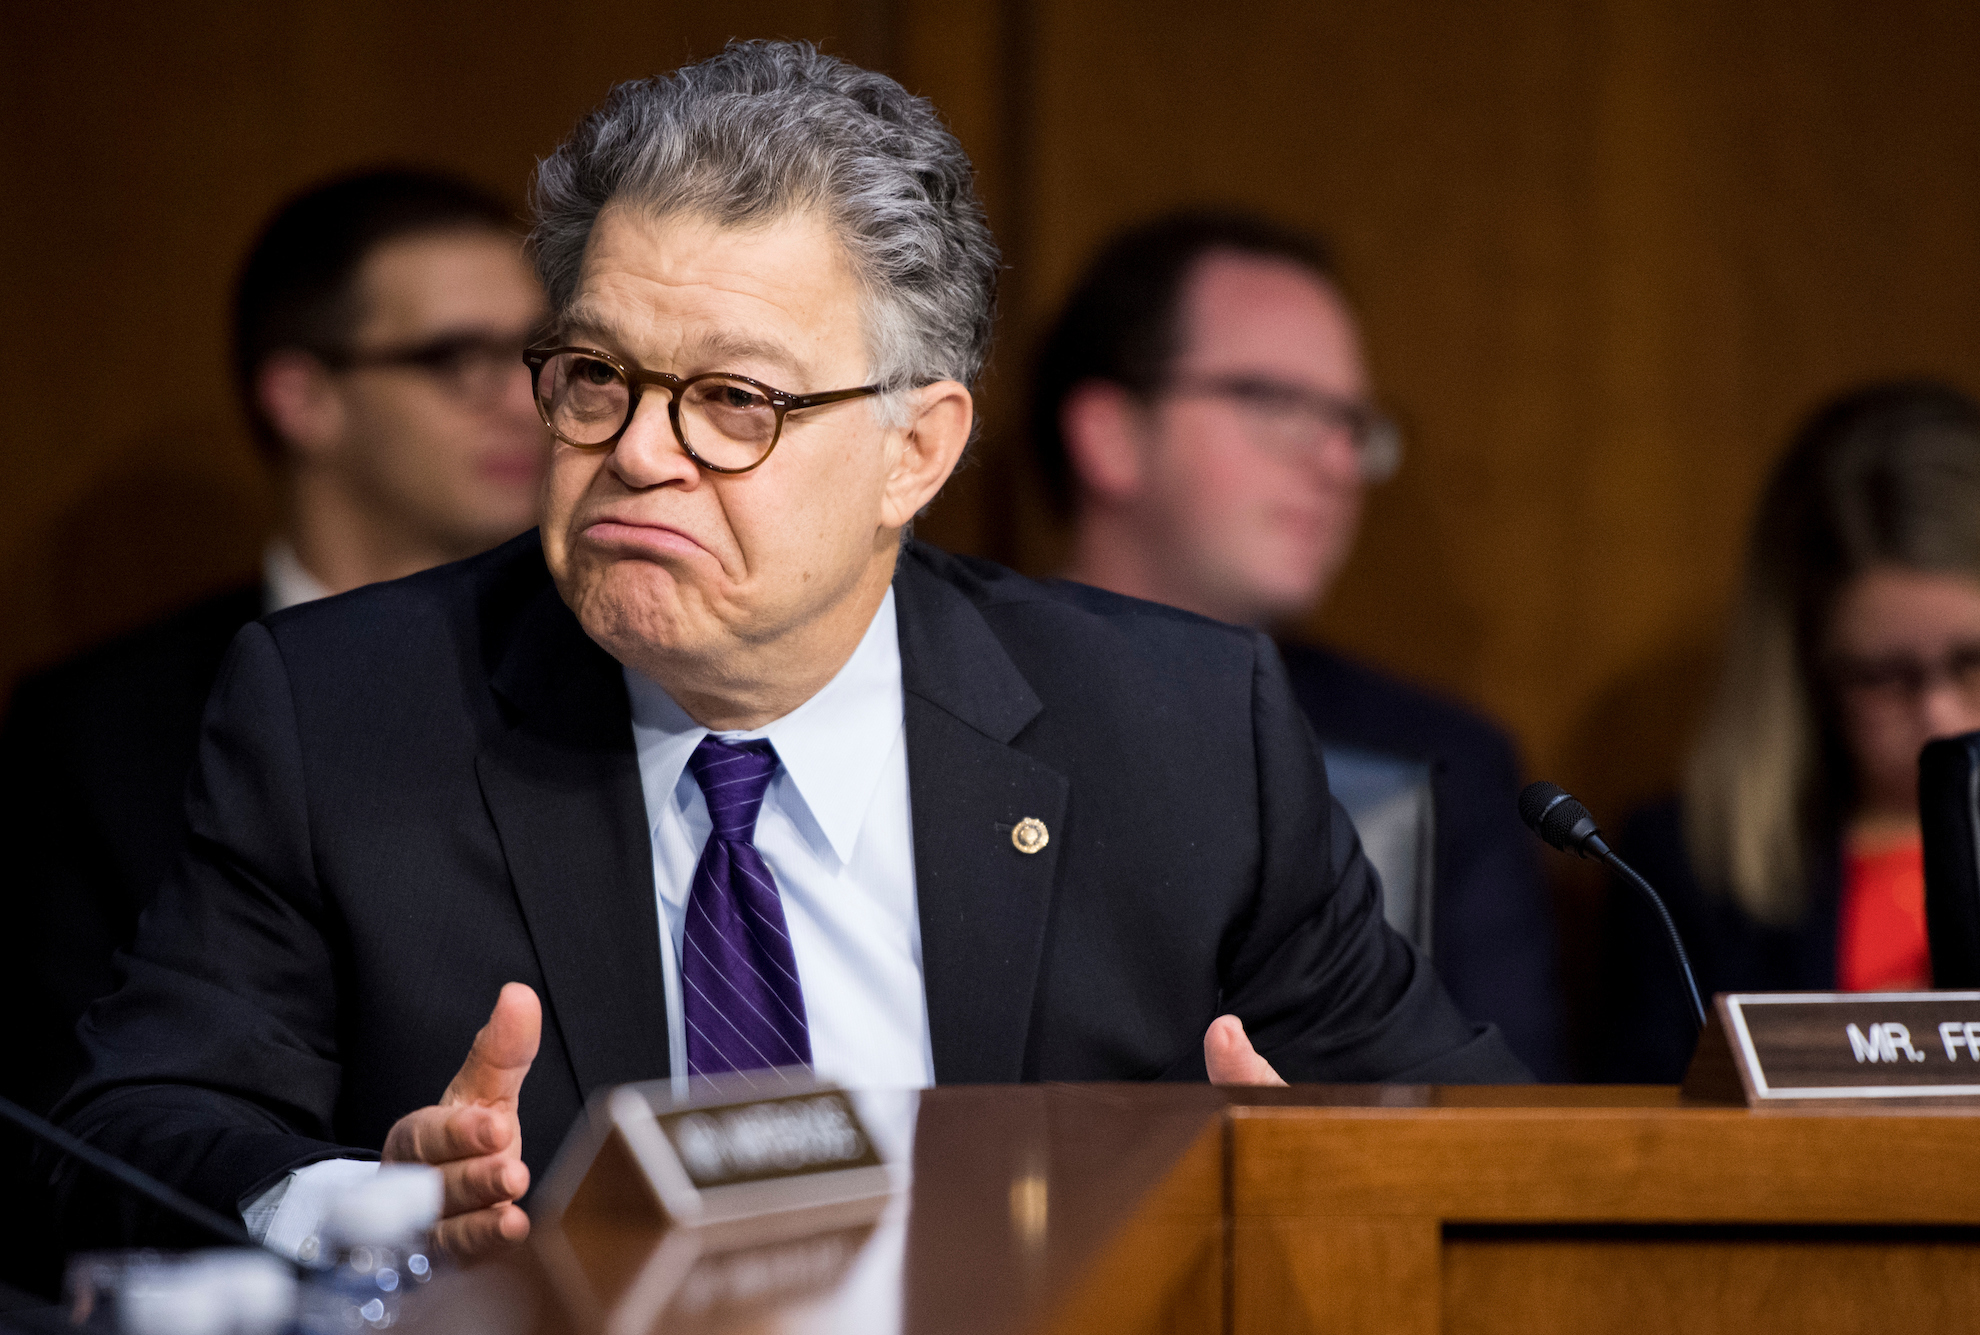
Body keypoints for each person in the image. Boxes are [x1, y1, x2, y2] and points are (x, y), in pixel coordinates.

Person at [50, 41, 1523, 1262]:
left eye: (735, 402)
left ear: (915, 448)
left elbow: (1494, 1152)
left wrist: (1336, 1176)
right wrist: (371, 1205)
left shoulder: (1177, 732)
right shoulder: (346, 715)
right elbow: (120, 1136)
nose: (639, 454)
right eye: (595, 378)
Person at [0, 168, 549, 1116]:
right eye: (461, 358)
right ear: (303, 396)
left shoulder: (617, 663)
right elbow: (73, 1118)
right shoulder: (93, 732)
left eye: (541, 353)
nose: (525, 401)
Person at [1029, 211, 1567, 1079]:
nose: (1337, 462)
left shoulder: (1444, 762)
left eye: (1353, 423)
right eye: (1277, 404)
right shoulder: (926, 708)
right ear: (1111, 433)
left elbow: (1507, 1122)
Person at [1588, 380, 1980, 1081]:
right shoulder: (1684, 872)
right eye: (1884, 676)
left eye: (1977, 662)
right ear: (1806, 668)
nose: (1939, 713)